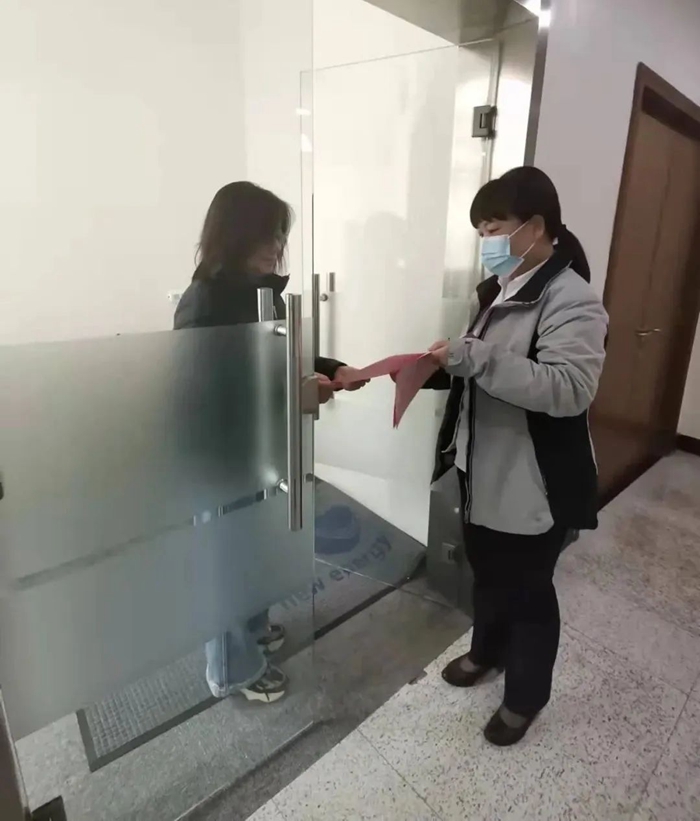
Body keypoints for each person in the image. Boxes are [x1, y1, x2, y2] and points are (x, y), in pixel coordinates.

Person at [427, 166, 607, 745]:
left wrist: (473, 357)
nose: (487, 240)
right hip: (481, 470)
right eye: (480, 230)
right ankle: (487, 652)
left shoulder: (573, 299)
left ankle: (525, 697)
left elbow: (568, 389)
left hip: (533, 480)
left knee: (529, 593)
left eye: (495, 227)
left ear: (535, 226)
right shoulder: (495, 292)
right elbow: (479, 369)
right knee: (487, 576)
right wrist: (436, 365)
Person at [175, 181, 366, 703]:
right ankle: (231, 670)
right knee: (225, 563)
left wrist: (331, 368)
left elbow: (284, 356)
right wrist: (297, 391)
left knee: (252, 547)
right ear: (234, 235)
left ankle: (253, 629)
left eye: (281, 234)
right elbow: (207, 394)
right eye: (267, 234)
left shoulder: (261, 293)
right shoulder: (205, 302)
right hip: (218, 457)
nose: (277, 245)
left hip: (258, 448)